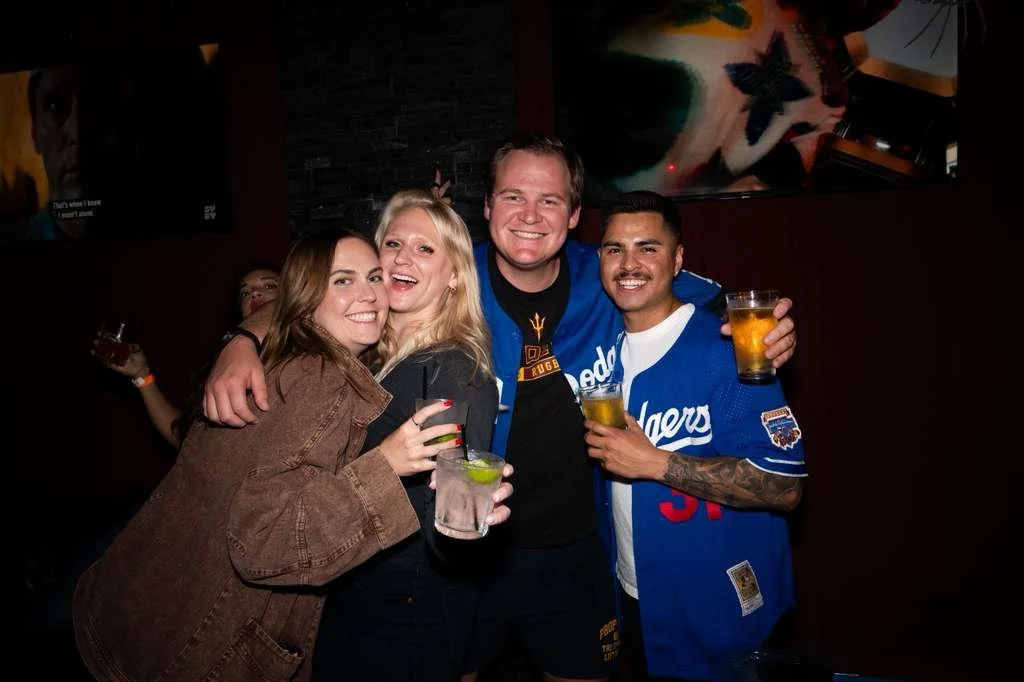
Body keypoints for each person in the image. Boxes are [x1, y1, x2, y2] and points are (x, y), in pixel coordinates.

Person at [202, 133, 796, 682]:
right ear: (486, 206)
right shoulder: (450, 275)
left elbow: (698, 291)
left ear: (572, 214)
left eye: (549, 199)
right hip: (466, 561)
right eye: (513, 195)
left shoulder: (609, 272)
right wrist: (244, 339)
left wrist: (761, 327)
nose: (531, 215)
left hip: (575, 550)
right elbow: (330, 288)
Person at [72, 227, 511, 681]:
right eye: (342, 280)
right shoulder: (321, 381)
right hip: (194, 645)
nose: (369, 294)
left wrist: (241, 337)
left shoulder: (288, 357)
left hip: (135, 612)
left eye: (374, 277)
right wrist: (386, 466)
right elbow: (262, 540)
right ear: (306, 296)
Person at [584, 190, 806, 681]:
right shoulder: (600, 355)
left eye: (648, 247)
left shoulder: (733, 348)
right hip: (635, 600)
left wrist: (653, 462)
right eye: (614, 249)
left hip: (722, 610)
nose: (629, 263)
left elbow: (785, 485)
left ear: (679, 258)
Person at [311, 188, 502, 681]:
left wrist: (461, 527)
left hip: (406, 610)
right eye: (394, 244)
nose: (404, 258)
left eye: (425, 249)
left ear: (454, 275)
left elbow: (453, 514)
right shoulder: (370, 351)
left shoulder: (450, 369)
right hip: (356, 590)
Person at [91, 263, 282, 449]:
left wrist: (240, 339)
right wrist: (142, 375)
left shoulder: (303, 353)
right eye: (245, 293)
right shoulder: (223, 364)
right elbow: (188, 443)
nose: (254, 294)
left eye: (269, 285)